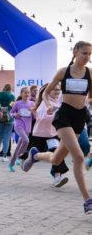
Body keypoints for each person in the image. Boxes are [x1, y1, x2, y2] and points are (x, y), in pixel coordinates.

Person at [22, 41, 92, 214]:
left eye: (90, 54)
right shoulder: (63, 72)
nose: (87, 57)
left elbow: (91, 97)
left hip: (79, 117)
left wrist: (87, 103)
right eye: (84, 53)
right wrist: (48, 104)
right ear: (75, 52)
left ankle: (35, 155)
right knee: (78, 156)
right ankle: (87, 200)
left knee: (56, 159)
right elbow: (45, 92)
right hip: (64, 116)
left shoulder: (90, 73)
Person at [23, 83, 69, 187]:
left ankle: (57, 176)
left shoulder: (58, 102)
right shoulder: (44, 103)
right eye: (54, 90)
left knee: (57, 152)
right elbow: (42, 118)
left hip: (52, 134)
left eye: (58, 90)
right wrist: (56, 116)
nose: (57, 91)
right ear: (48, 91)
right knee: (33, 158)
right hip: (39, 134)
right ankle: (30, 159)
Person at [8, 87, 35, 172]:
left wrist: (33, 111)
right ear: (21, 94)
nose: (27, 94)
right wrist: (15, 115)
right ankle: (19, 158)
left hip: (27, 127)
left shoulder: (32, 104)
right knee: (26, 141)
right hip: (18, 126)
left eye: (28, 93)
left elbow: (34, 117)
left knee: (19, 146)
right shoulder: (17, 103)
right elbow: (11, 113)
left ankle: (11, 164)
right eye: (25, 93)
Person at [0, 83, 15, 162]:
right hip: (9, 119)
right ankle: (4, 156)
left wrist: (0, 112)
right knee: (6, 137)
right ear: (10, 89)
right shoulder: (12, 96)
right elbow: (12, 108)